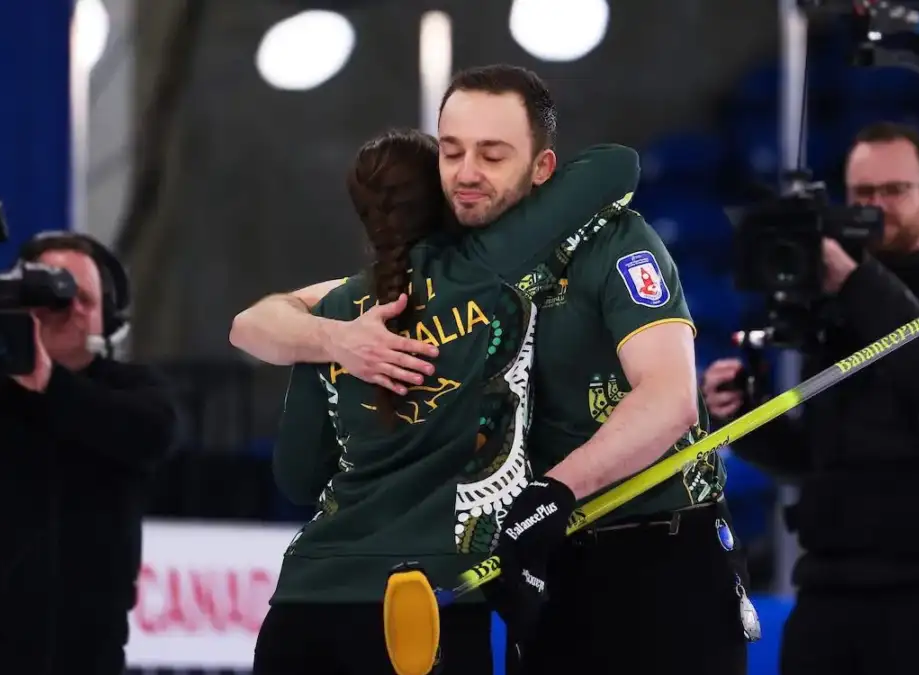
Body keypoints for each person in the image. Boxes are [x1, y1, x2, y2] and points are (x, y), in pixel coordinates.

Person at [233, 65, 750, 675]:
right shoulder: (449, 262)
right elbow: (257, 321)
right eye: (450, 152)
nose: (467, 173)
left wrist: (553, 492)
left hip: (649, 548)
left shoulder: (613, 240)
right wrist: (336, 339)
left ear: (543, 170)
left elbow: (669, 399)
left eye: (492, 154)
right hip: (536, 560)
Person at [252, 129, 640, 675]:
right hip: (425, 610)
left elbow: (295, 477)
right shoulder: (489, 267)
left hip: (302, 605)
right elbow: (616, 163)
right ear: (444, 195)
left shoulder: (333, 314)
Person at [701, 122, 919, 675]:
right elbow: (812, 459)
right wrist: (747, 415)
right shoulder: (833, 304)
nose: (876, 208)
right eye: (862, 195)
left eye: (894, 191)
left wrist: (858, 281)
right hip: (827, 588)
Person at [0, 232, 179, 675]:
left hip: (90, 653)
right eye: (51, 294)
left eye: (84, 299)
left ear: (107, 316)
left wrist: (49, 383)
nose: (69, 308)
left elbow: (154, 434)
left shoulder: (129, 388)